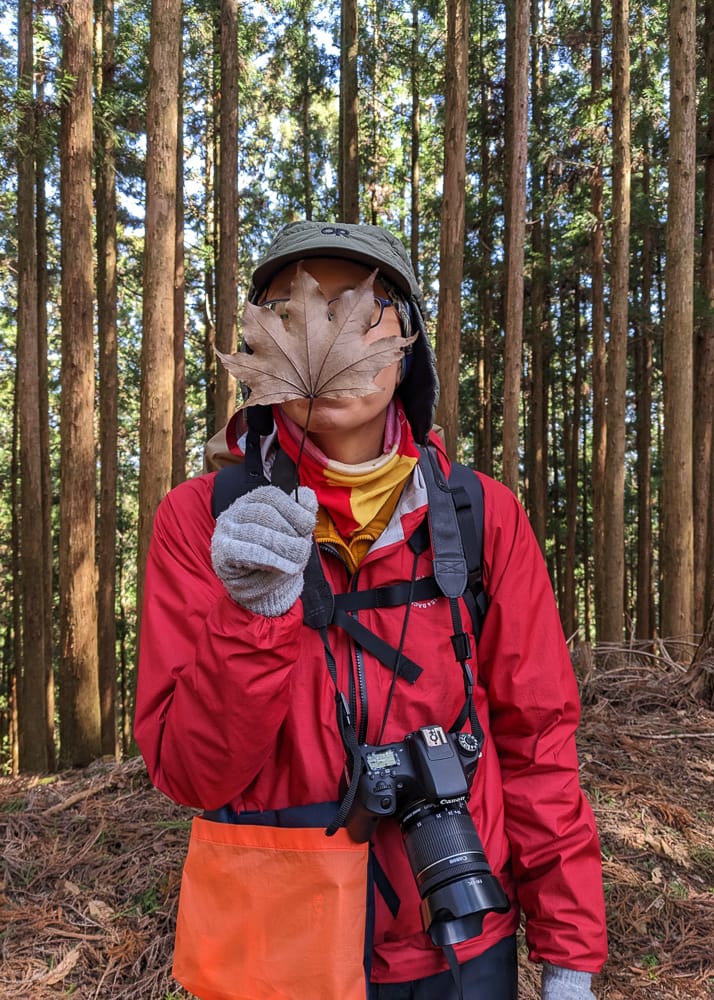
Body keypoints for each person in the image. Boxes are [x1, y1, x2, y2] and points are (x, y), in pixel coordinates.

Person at [135, 221, 607, 1000]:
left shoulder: (482, 517)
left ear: (408, 342)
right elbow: (190, 772)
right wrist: (255, 617)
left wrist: (570, 954)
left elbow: (538, 747)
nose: (336, 328)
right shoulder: (201, 522)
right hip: (277, 941)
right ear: (262, 349)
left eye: (366, 305)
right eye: (298, 309)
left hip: (458, 935)